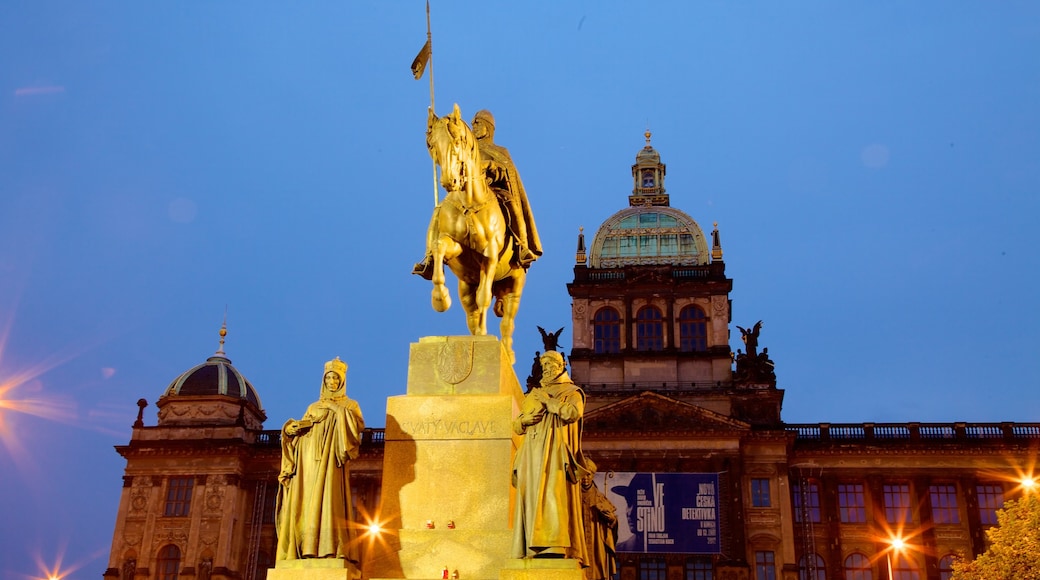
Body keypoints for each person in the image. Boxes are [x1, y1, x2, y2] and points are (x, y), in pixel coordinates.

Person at [414, 109, 542, 278]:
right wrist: (431, 134)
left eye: (479, 124)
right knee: (439, 210)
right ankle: (430, 258)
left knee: (511, 202)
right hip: (463, 193)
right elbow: (443, 155)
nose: (475, 127)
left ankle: (521, 246)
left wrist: (491, 166)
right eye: (473, 124)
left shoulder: (500, 151)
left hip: (493, 191)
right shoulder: (463, 147)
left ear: (488, 128)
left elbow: (507, 171)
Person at [276, 357, 365, 571]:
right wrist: (290, 430)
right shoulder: (313, 406)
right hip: (307, 461)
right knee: (306, 503)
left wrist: (335, 410)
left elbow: (356, 428)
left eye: (336, 378)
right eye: (329, 378)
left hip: (330, 462)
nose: (332, 382)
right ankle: (304, 547)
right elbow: (298, 431)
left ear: (342, 381)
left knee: (328, 501)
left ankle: (328, 547)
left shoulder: (349, 404)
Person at [511, 350, 589, 563]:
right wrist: (524, 421)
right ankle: (529, 545)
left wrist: (549, 403)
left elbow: (573, 413)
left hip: (554, 452)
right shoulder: (534, 393)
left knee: (552, 496)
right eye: (543, 365)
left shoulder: (572, 391)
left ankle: (554, 544)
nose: (546, 368)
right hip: (531, 452)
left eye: (550, 364)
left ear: (561, 365)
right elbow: (516, 425)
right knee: (531, 496)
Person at [581, 460, 618, 580]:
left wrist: (611, 520)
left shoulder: (600, 498)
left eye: (589, 474)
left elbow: (613, 521)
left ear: (593, 475)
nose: (585, 478)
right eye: (583, 474)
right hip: (579, 539)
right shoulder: (573, 495)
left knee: (597, 569)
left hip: (596, 540)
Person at [611, 473, 653, 552]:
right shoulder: (619, 549)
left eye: (638, 505)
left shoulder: (673, 547)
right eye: (629, 503)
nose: (630, 513)